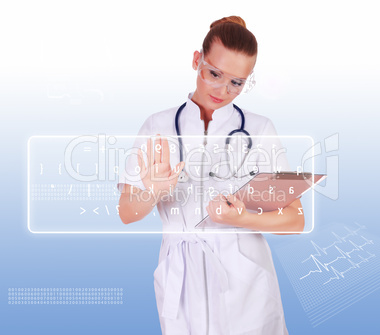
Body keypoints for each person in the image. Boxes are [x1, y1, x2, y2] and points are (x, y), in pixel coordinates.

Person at [118, 16, 304, 335]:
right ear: (196, 60)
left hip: (247, 283)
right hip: (181, 277)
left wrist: (241, 218)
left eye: (237, 82)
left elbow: (294, 220)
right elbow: (126, 213)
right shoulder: (158, 126)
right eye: (214, 73)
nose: (223, 89)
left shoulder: (259, 129)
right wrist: (153, 192)